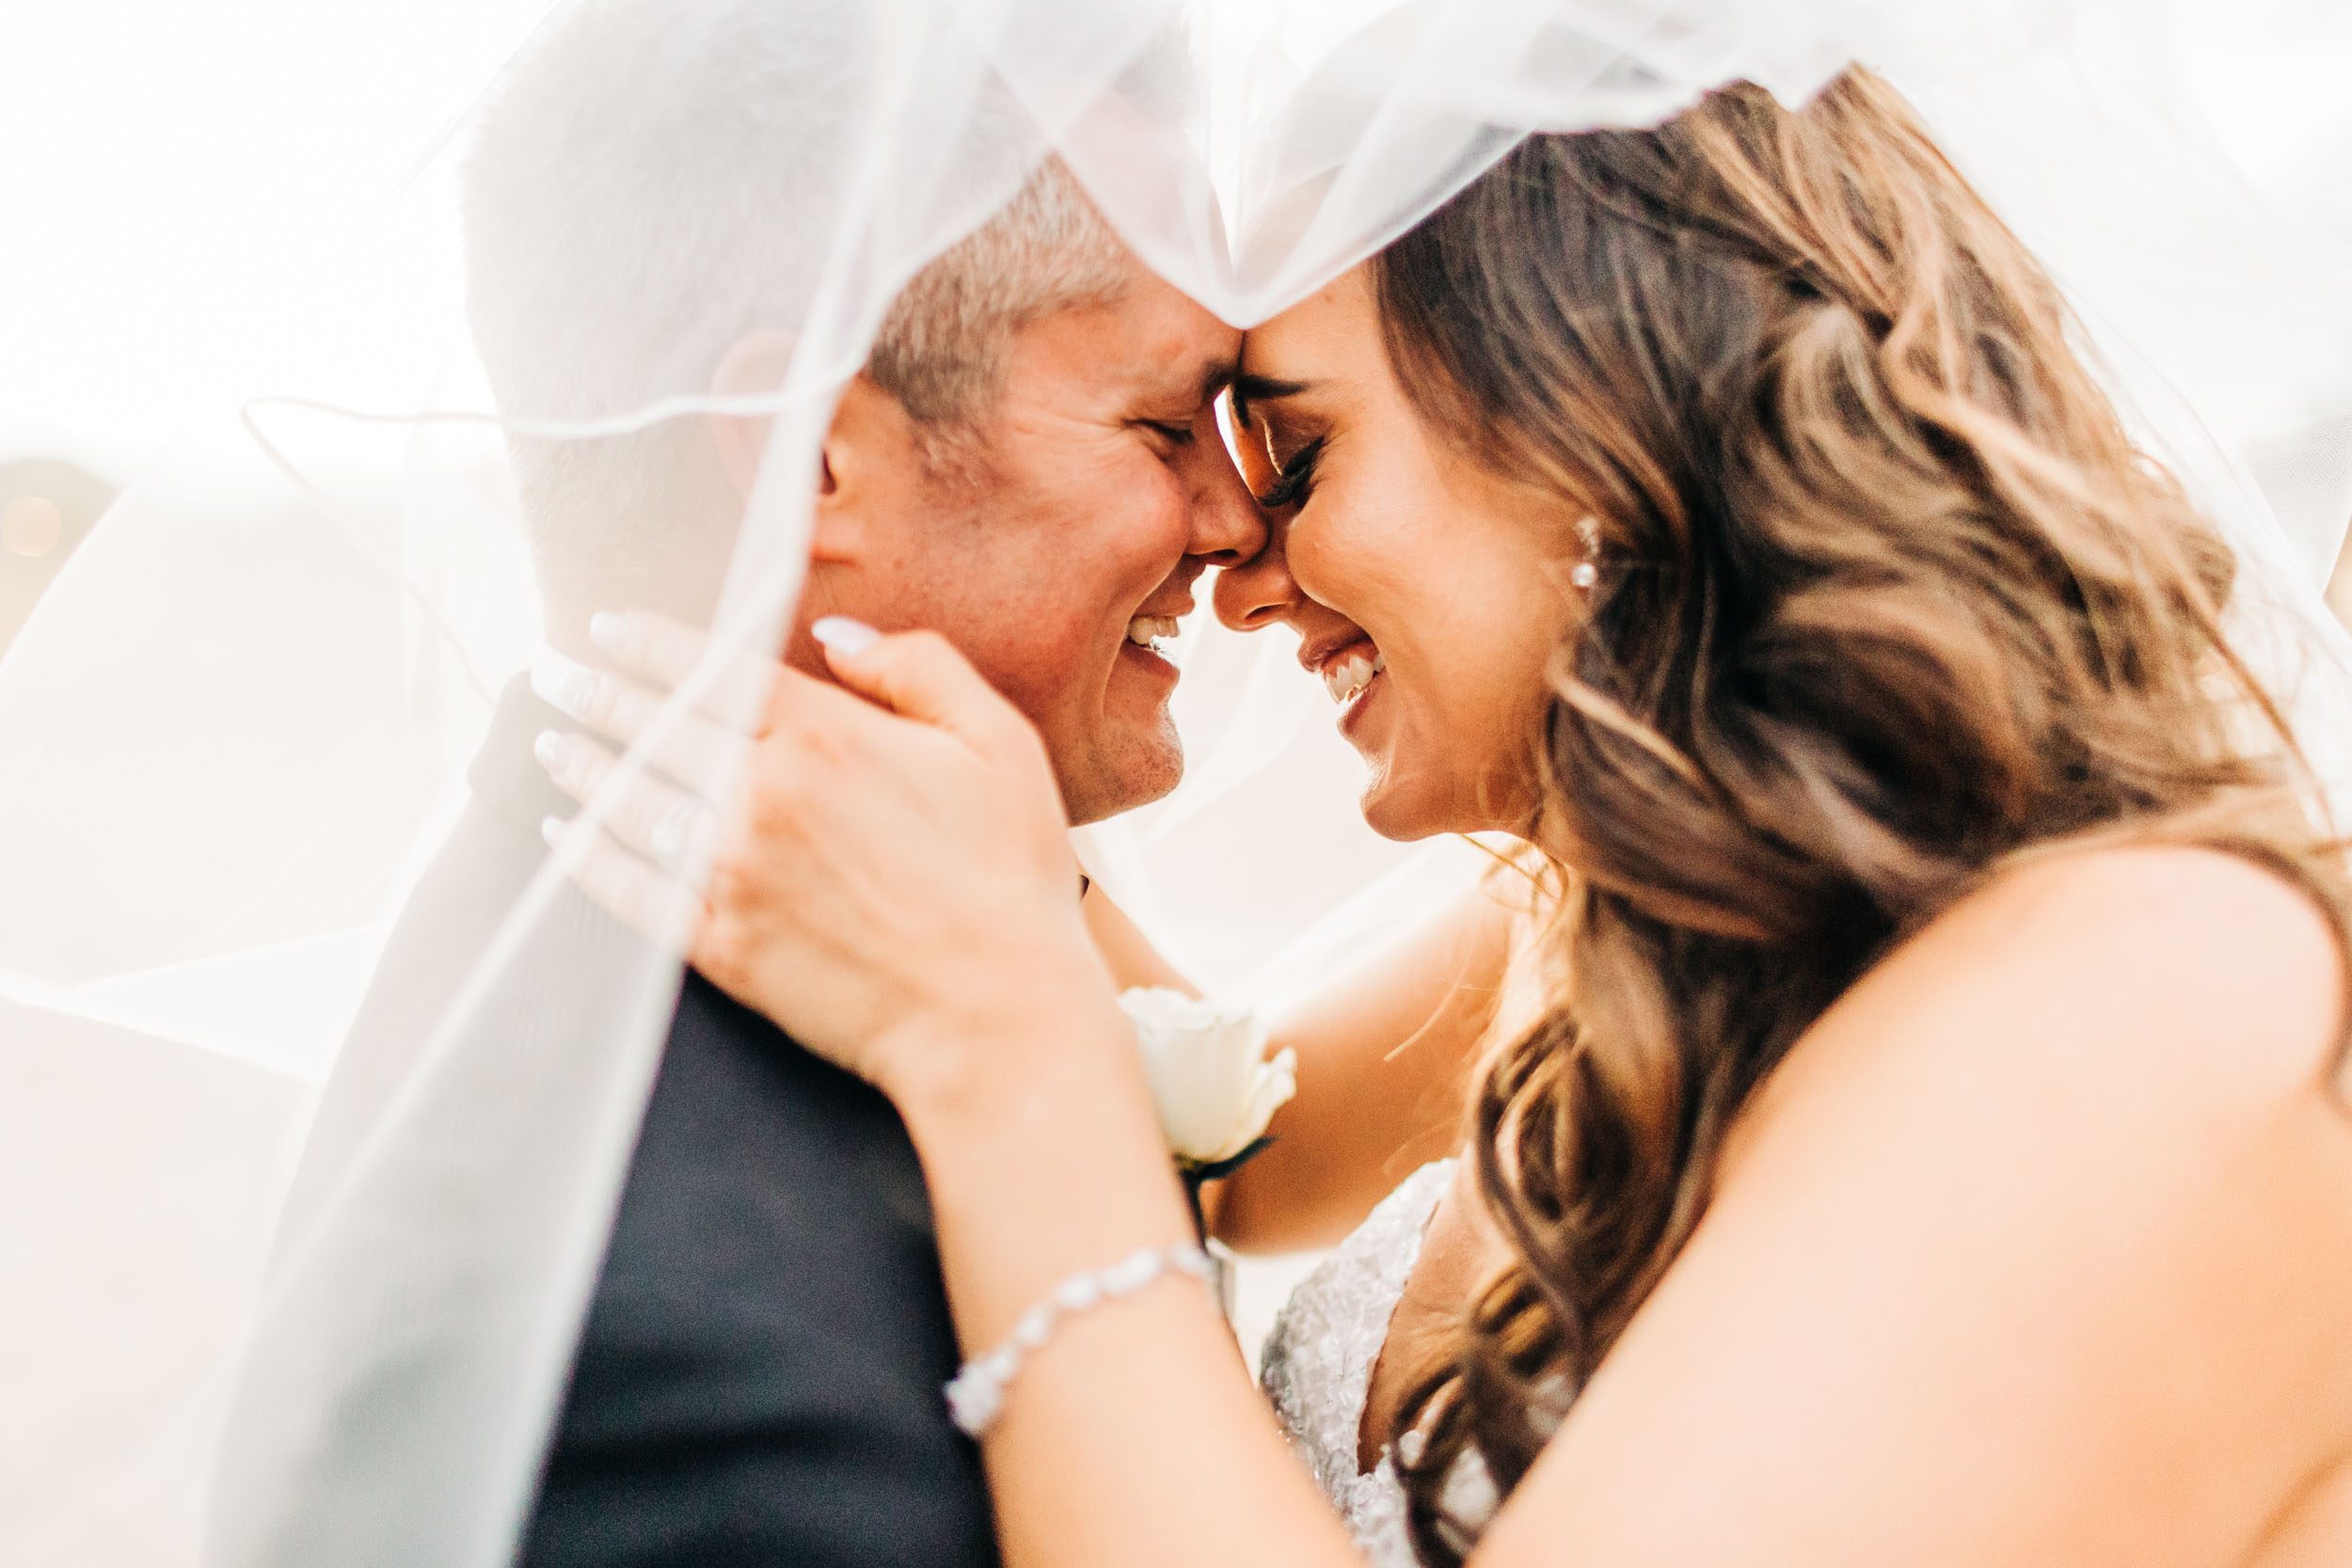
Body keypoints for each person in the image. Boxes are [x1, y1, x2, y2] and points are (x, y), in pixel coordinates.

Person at [550, 69, 2352, 1566]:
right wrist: (874, 621)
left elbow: (1079, 1098)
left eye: (1302, 452)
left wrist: (995, 1040)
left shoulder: (2147, 992)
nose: (1242, 573)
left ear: (1600, 424)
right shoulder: (1640, 922)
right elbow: (1227, 1128)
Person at [202, 1, 1267, 1563]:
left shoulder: (791, 930)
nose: (1236, 521)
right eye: (1166, 423)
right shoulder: (679, 1348)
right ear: (812, 460)